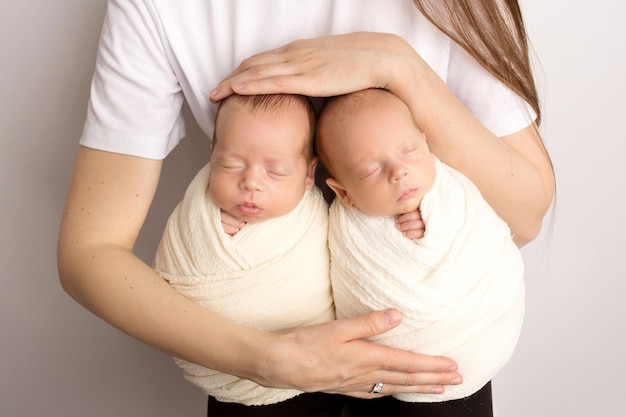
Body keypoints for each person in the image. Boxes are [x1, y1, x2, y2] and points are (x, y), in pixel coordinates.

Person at [57, 0, 554, 411]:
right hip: (253, 362)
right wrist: (268, 360)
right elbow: (89, 251)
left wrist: (398, 65)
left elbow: (525, 215)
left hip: (432, 352)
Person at [316, 88, 525, 416]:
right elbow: (346, 288)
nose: (398, 171)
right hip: (378, 368)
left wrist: (435, 220)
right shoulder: (345, 229)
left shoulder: (449, 189)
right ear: (343, 192)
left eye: (409, 150)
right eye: (371, 169)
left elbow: (486, 231)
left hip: (478, 332)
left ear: (426, 144)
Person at [153, 93, 342, 415]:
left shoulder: (319, 219)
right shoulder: (197, 218)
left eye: (276, 171)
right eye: (231, 164)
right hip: (230, 372)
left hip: (322, 372)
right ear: (212, 157)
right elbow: (165, 290)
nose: (251, 182)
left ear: (309, 174)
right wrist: (209, 236)